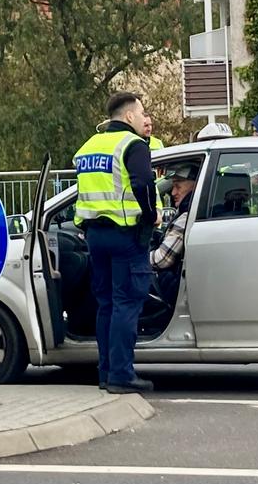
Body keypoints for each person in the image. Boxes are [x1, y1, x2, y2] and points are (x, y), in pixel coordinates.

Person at [73, 91, 159, 394]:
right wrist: (151, 217)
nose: (143, 116)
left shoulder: (87, 148)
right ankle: (122, 374)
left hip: (95, 236)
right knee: (126, 303)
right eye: (142, 111)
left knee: (106, 304)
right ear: (129, 116)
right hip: (126, 235)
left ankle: (106, 372)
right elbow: (144, 183)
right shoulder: (132, 145)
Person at [150, 164, 198, 305]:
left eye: (178, 186)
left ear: (194, 187)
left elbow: (162, 259)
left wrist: (135, 259)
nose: (172, 193)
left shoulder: (187, 216)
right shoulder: (186, 212)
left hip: (168, 290)